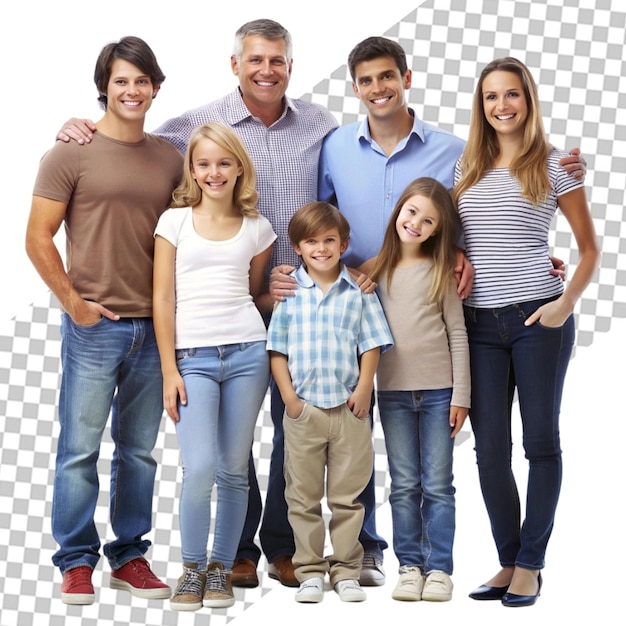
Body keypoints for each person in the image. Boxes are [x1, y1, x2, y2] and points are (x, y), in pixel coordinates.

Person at [56, 19, 339, 588]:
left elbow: (342, 194)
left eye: (277, 60)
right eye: (254, 59)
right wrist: (80, 126)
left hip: (297, 304)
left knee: (291, 433)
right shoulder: (188, 129)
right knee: (195, 456)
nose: (266, 69)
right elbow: (128, 141)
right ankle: (224, 552)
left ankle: (283, 547)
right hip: (189, 326)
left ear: (290, 65)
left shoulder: (321, 125)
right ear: (235, 64)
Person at [25, 37, 183, 605]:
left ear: (156, 87)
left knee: (139, 450)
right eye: (122, 81)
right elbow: (36, 237)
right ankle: (74, 560)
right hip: (94, 326)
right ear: (105, 87)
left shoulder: (170, 155)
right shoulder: (69, 153)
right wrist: (74, 303)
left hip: (155, 328)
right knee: (79, 447)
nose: (133, 90)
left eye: (142, 81)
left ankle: (130, 555)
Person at [453, 57, 599, 607]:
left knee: (540, 442)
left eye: (511, 95)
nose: (502, 106)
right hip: (480, 325)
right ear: (481, 105)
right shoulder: (465, 170)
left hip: (539, 319)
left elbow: (589, 250)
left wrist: (564, 305)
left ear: (528, 100)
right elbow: (460, 242)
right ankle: (508, 558)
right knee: (490, 451)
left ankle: (531, 564)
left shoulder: (555, 167)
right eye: (491, 97)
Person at [153, 122, 276, 611]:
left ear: (239, 167)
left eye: (223, 162)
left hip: (248, 353)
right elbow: (163, 297)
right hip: (192, 359)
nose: (213, 172)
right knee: (199, 466)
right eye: (203, 163)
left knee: (233, 471)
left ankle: (221, 569)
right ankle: (191, 570)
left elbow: (253, 293)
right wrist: (169, 368)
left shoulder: (258, 228)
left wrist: (285, 289)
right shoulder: (174, 221)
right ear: (192, 169)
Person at [267, 202, 394, 603]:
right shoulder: (290, 294)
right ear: (298, 249)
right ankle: (308, 570)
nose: (321, 248)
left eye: (329, 240)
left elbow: (371, 342)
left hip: (348, 409)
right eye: (311, 242)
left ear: (344, 244)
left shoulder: (358, 291)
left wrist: (364, 390)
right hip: (304, 410)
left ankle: (346, 570)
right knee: (301, 496)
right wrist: (290, 399)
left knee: (347, 496)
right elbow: (277, 350)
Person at [359, 177, 470, 603]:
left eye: (428, 221)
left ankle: (439, 568)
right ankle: (409, 566)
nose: (416, 224)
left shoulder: (442, 270)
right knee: (404, 484)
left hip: (441, 391)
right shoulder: (374, 270)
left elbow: (457, 333)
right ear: (398, 209)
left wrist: (462, 395)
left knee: (439, 484)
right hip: (392, 393)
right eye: (411, 212)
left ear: (438, 230)